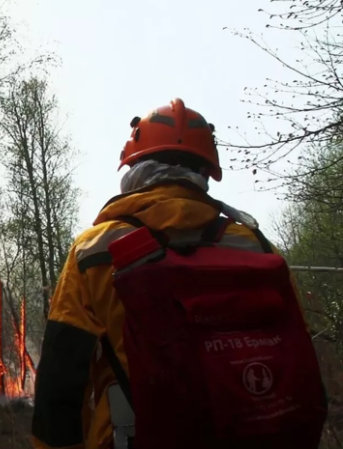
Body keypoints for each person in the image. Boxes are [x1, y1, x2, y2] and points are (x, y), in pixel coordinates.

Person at [31, 99, 327, 449]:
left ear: (134, 168)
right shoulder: (256, 246)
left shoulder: (95, 249)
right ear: (205, 173)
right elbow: (299, 355)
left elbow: (60, 380)